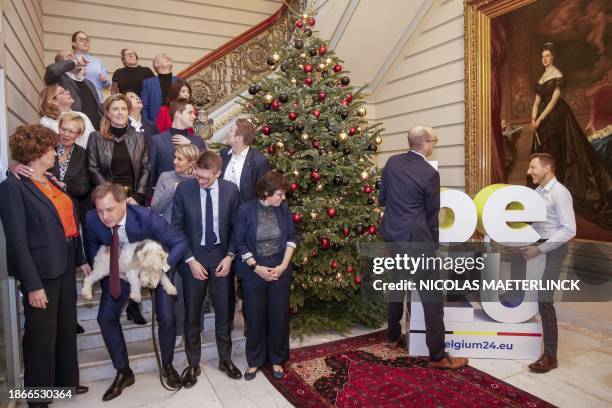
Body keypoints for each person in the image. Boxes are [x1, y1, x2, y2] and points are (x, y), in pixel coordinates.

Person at [0, 125, 90, 407]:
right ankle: (38, 398)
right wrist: (33, 284)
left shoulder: (50, 180)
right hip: (41, 271)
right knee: (41, 336)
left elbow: (68, 222)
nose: (56, 152)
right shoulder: (13, 187)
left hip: (63, 263)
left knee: (65, 328)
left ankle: (65, 384)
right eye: (52, 148)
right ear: (37, 152)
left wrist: (80, 258)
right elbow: (16, 241)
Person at [86, 183, 189, 401]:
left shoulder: (146, 217)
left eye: (110, 210)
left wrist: (158, 269)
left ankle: (168, 364)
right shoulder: (91, 220)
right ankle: (124, 372)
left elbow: (179, 242)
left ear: (124, 203)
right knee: (105, 318)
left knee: (167, 317)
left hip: (154, 266)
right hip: (122, 270)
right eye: (99, 210)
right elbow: (94, 250)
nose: (104, 216)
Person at [379, 125, 468, 369]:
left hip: (392, 236)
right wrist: (434, 244)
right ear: (426, 143)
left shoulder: (392, 162)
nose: (434, 145)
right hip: (417, 241)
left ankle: (392, 335)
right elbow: (432, 215)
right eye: (434, 141)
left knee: (397, 284)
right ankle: (438, 356)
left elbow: (382, 198)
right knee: (432, 298)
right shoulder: (429, 173)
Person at [171, 151, 242, 386]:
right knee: (192, 313)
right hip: (195, 257)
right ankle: (193, 364)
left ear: (218, 173)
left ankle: (225, 359)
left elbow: (237, 228)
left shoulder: (231, 191)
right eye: (197, 176)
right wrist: (190, 259)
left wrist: (230, 256)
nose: (200, 181)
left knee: (224, 312)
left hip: (222, 257)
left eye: (206, 178)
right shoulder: (184, 190)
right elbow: (177, 228)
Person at [530, 42, 612, 231]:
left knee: (557, 153)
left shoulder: (558, 75)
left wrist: (541, 118)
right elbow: (537, 101)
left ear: (553, 58)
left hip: (555, 117)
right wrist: (533, 119)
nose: (545, 59)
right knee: (542, 154)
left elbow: (552, 101)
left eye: (547, 56)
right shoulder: (542, 77)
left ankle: (556, 194)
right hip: (541, 121)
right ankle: (542, 195)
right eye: (543, 57)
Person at [87, 94, 151, 324]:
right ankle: (111, 301)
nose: (120, 112)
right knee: (111, 254)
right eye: (115, 109)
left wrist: (138, 195)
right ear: (107, 112)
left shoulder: (139, 138)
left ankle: (134, 305)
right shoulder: (95, 137)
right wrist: (110, 198)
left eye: (124, 108)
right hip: (108, 202)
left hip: (133, 201)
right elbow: (92, 167)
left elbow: (146, 167)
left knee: (135, 255)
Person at [233, 170, 296, 380]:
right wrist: (256, 268)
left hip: (280, 269)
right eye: (279, 194)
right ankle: (255, 360)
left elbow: (291, 239)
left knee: (279, 317)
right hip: (254, 271)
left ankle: (277, 359)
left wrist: (282, 267)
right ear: (266, 193)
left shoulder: (284, 209)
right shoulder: (245, 210)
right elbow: (240, 242)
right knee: (255, 317)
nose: (283, 197)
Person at [523, 153, 576, 373]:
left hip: (553, 250)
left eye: (533, 167)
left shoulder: (560, 193)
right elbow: (537, 225)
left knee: (544, 300)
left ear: (547, 168)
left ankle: (550, 356)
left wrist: (540, 248)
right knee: (531, 297)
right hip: (538, 247)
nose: (529, 171)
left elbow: (570, 229)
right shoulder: (536, 193)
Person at [220, 118, 271, 334]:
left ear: (240, 137)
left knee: (248, 274)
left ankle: (250, 320)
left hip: (247, 226)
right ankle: (228, 318)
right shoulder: (223, 156)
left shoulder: (259, 161)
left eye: (231, 131)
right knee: (226, 273)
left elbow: (263, 194)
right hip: (223, 224)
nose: (228, 134)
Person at [151, 143, 198, 347]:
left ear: (192, 163)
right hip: (168, 241)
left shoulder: (199, 180)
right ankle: (175, 328)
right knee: (171, 286)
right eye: (175, 157)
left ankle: (194, 328)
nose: (174, 162)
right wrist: (173, 189)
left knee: (192, 287)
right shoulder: (166, 178)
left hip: (192, 241)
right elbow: (155, 207)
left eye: (180, 159)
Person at [149, 98, 206, 191]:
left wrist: (190, 145)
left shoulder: (198, 141)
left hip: (192, 196)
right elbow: (150, 174)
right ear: (178, 114)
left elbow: (205, 167)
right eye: (190, 113)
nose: (194, 117)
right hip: (165, 199)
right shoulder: (157, 141)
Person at [44, 51, 103, 129]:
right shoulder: (59, 79)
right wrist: (74, 62)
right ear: (63, 64)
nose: (75, 58)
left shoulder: (89, 83)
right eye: (70, 56)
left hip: (95, 132)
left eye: (74, 56)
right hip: (71, 131)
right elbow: (52, 70)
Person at [38, 83, 95, 148]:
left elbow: (94, 140)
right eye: (62, 92)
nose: (68, 92)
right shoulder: (46, 120)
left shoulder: (82, 115)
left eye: (66, 90)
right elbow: (49, 146)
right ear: (53, 101)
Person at [71, 31, 110, 102]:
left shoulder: (97, 61)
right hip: (78, 100)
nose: (85, 42)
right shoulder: (70, 60)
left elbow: (107, 85)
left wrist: (104, 81)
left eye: (86, 39)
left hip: (97, 101)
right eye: (81, 40)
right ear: (74, 43)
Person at [141, 53, 177, 123]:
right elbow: (144, 108)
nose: (168, 57)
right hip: (155, 126)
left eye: (168, 57)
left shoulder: (180, 81)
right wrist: (148, 125)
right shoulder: (148, 83)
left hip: (176, 125)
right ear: (156, 64)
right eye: (164, 57)